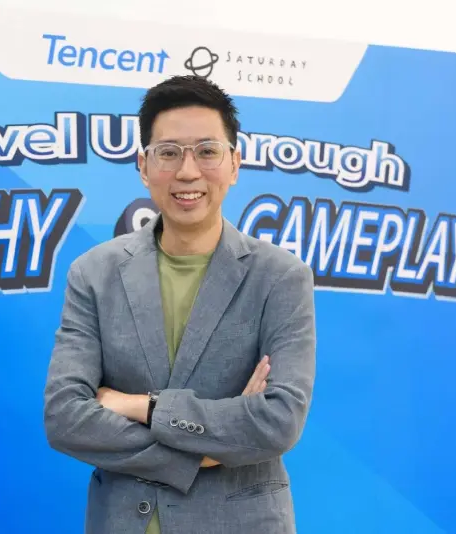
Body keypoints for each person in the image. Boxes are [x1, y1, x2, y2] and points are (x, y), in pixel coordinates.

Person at [43, 75, 316, 534]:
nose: (188, 172)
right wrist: (202, 453)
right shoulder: (94, 273)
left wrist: (140, 406)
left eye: (207, 151)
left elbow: (278, 421)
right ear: (143, 166)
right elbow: (65, 417)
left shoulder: (280, 277)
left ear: (234, 164)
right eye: (168, 152)